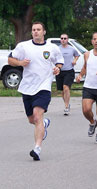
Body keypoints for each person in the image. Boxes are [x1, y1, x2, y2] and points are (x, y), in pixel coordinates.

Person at [8, 21, 64, 161]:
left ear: (44, 32)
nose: (36, 32)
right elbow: (10, 59)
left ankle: (37, 149)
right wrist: (20, 63)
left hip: (44, 86)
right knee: (31, 119)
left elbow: (59, 60)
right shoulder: (23, 46)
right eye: (34, 30)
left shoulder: (52, 48)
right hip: (27, 87)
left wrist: (58, 68)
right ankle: (44, 125)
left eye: (39, 29)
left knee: (37, 116)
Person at [56, 34, 80, 115]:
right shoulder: (57, 49)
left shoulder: (72, 49)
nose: (63, 40)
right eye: (62, 38)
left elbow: (77, 55)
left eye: (65, 38)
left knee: (66, 87)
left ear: (67, 39)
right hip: (60, 71)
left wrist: (75, 60)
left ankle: (66, 107)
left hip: (69, 71)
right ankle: (67, 103)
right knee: (62, 91)